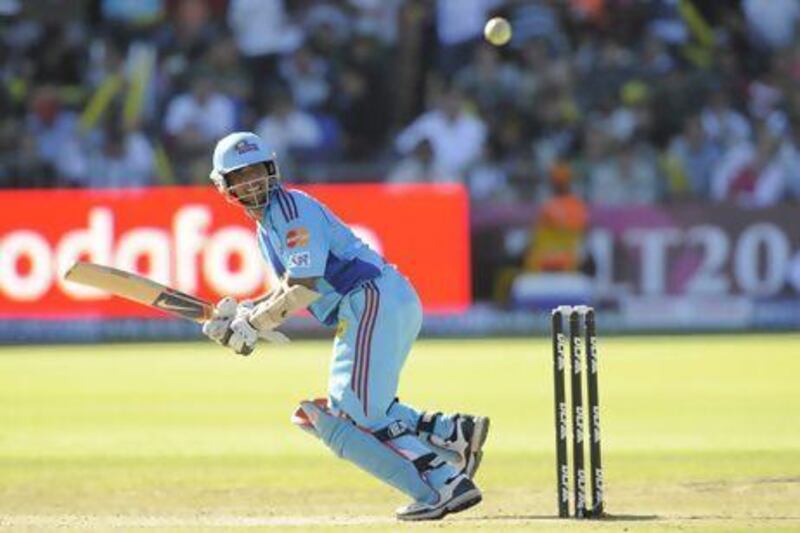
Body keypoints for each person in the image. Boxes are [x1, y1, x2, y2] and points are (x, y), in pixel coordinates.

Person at [201, 131, 489, 521]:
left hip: (370, 299)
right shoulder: (269, 224)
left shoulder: (288, 211)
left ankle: (443, 482)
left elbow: (305, 289)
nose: (252, 182)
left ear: (272, 169)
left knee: (352, 416)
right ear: (224, 186)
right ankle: (451, 432)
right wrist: (245, 314)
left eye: (257, 171)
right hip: (384, 300)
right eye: (240, 175)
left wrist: (252, 323)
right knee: (367, 408)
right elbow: (290, 287)